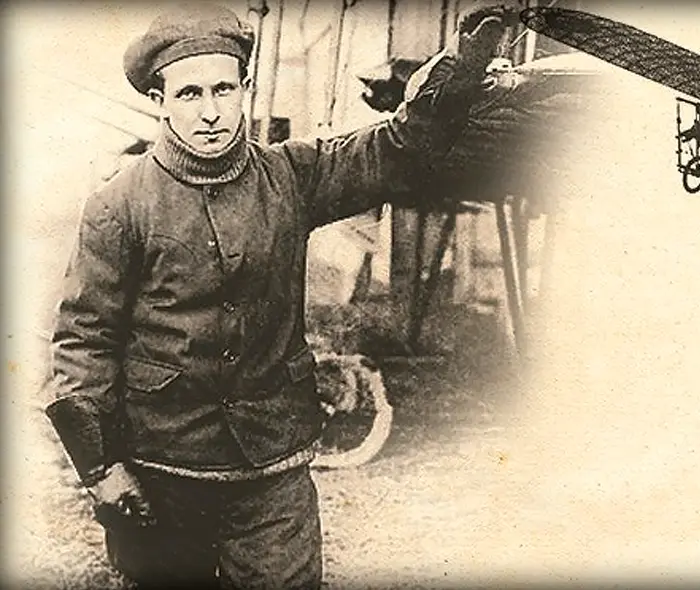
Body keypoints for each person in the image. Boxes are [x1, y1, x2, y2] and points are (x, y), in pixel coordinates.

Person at [43, 3, 513, 588]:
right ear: (160, 100)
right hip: (163, 467)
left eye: (223, 89)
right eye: (189, 94)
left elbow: (394, 149)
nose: (210, 112)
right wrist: (102, 469)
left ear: (245, 88)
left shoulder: (291, 176)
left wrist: (460, 68)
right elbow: (83, 342)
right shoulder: (118, 206)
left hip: (272, 471)